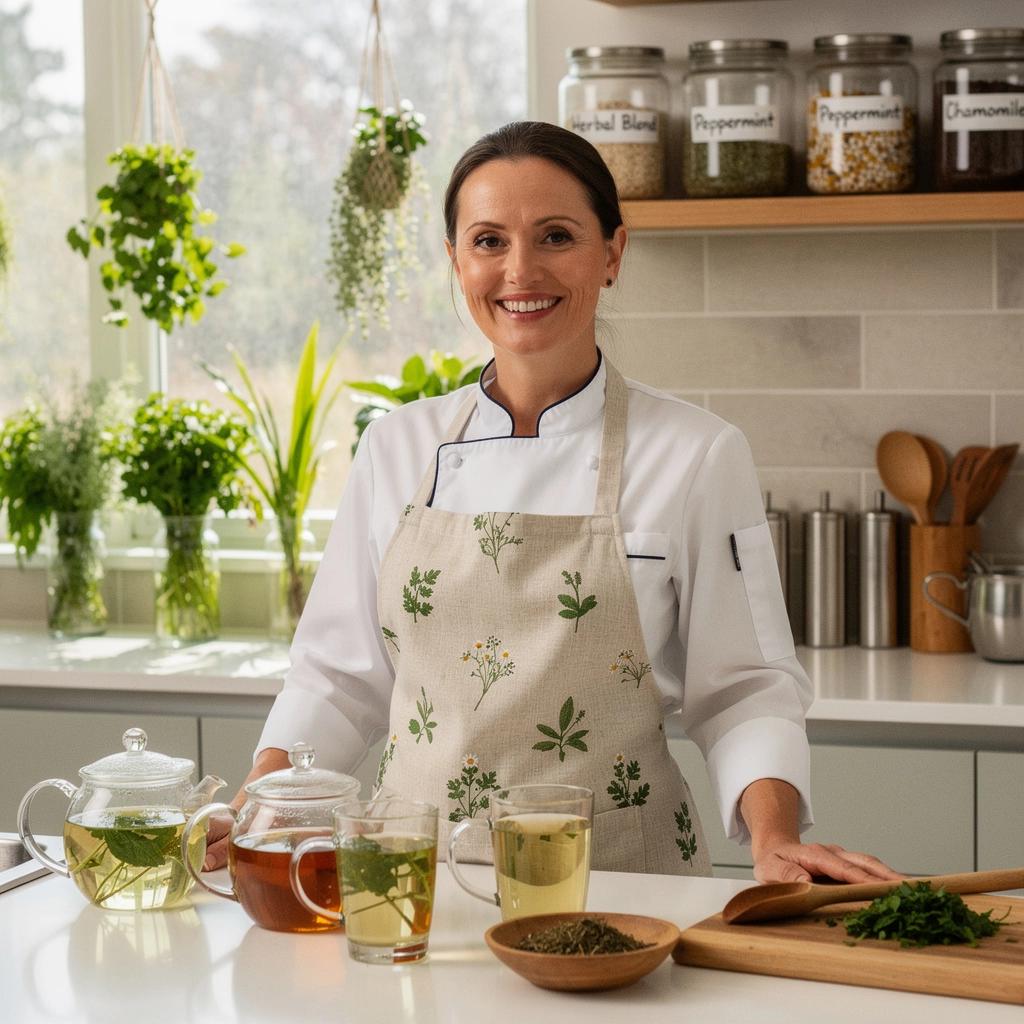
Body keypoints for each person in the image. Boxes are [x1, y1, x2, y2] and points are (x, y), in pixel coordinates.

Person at [207, 121, 899, 884]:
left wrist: (772, 841)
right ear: (455, 261)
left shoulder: (696, 453)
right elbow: (336, 679)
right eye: (489, 241)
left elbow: (744, 686)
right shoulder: (395, 448)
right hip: (412, 885)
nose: (521, 270)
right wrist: (258, 809)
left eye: (557, 236)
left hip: (623, 884)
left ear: (612, 254)